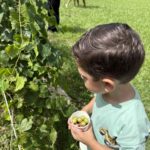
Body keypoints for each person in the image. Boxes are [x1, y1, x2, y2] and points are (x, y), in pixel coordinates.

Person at [68, 23, 150, 150]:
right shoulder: (115, 88)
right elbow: (99, 98)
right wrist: (85, 110)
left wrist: (90, 141)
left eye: (84, 77)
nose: (81, 79)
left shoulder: (133, 121)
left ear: (107, 84)